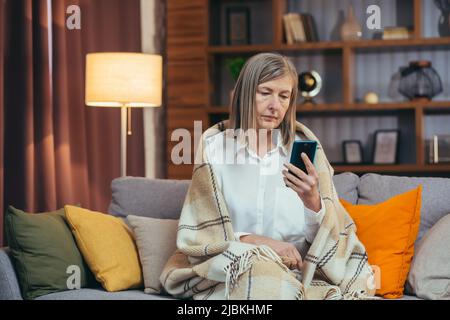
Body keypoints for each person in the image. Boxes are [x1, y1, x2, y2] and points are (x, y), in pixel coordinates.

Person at [203, 52, 326, 272]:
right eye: (265, 93)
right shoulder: (214, 150)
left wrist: (312, 201)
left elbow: (325, 241)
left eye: (284, 96)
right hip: (234, 268)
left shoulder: (305, 152)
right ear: (245, 95)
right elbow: (203, 233)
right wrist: (257, 241)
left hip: (294, 273)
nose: (274, 105)